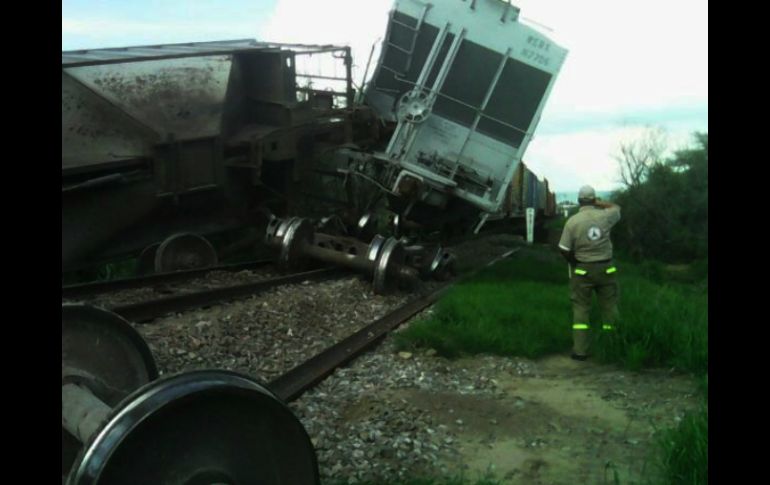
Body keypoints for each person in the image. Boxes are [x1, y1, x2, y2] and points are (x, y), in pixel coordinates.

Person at [558, 185, 621, 361]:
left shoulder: (573, 222)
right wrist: (599, 203)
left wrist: (574, 261)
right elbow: (616, 207)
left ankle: (580, 351)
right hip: (606, 268)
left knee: (581, 309)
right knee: (609, 307)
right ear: (594, 200)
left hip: (582, 269)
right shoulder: (606, 216)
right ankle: (612, 347)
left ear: (579, 201)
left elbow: (563, 248)